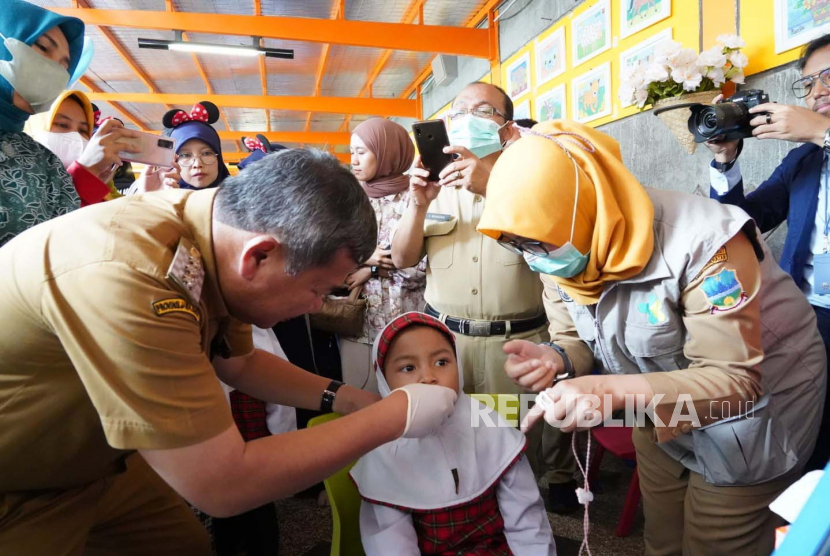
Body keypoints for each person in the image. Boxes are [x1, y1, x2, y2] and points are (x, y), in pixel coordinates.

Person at [0, 149, 457, 554]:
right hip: (21, 480)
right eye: (318, 289)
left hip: (98, 460)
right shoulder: (132, 275)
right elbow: (223, 485)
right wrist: (395, 415)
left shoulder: (216, 237)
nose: (318, 305)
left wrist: (346, 398)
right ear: (259, 257)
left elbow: (239, 361)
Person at [477, 120, 827, 555]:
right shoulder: (555, 253)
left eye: (537, 244)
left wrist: (608, 388)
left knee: (715, 541)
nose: (533, 259)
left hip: (755, 414)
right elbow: (578, 340)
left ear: (582, 207)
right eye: (516, 245)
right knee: (661, 538)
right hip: (654, 407)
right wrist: (556, 359)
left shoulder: (708, 244)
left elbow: (737, 383)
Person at [392, 81, 577, 512]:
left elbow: (560, 249)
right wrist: (417, 204)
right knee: (454, 437)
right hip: (449, 346)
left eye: (483, 111)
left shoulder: (534, 181)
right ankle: (467, 517)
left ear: (507, 128)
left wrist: (492, 185)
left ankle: (527, 516)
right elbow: (403, 258)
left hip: (514, 345)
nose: (466, 119)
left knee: (516, 447)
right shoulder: (435, 187)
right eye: (458, 111)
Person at [705, 34, 830, 472]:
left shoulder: (816, 139)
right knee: (811, 434)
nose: (818, 92)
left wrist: (824, 131)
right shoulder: (803, 160)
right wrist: (725, 159)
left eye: (828, 77)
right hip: (812, 315)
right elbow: (743, 223)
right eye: (810, 82)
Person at [351, 312, 556, 555]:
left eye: (441, 362)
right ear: (384, 381)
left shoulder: (490, 426)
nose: (428, 377)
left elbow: (527, 520)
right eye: (408, 367)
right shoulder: (383, 447)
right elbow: (390, 544)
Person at [0, 0, 141, 246]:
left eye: (64, 66)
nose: (52, 69)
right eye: (43, 47)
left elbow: (64, 241)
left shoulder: (42, 160)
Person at [341, 117, 426, 392]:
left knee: (413, 407)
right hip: (358, 328)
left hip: (410, 324)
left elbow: (419, 268)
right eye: (351, 152)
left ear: (389, 151)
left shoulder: (417, 197)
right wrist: (368, 259)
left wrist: (370, 269)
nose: (353, 160)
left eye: (362, 152)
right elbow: (332, 261)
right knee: (361, 409)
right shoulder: (349, 201)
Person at [25, 89, 123, 203]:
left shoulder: (99, 180)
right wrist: (86, 176)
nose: (75, 136)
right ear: (35, 127)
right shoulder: (13, 178)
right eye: (62, 125)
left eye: (82, 130)